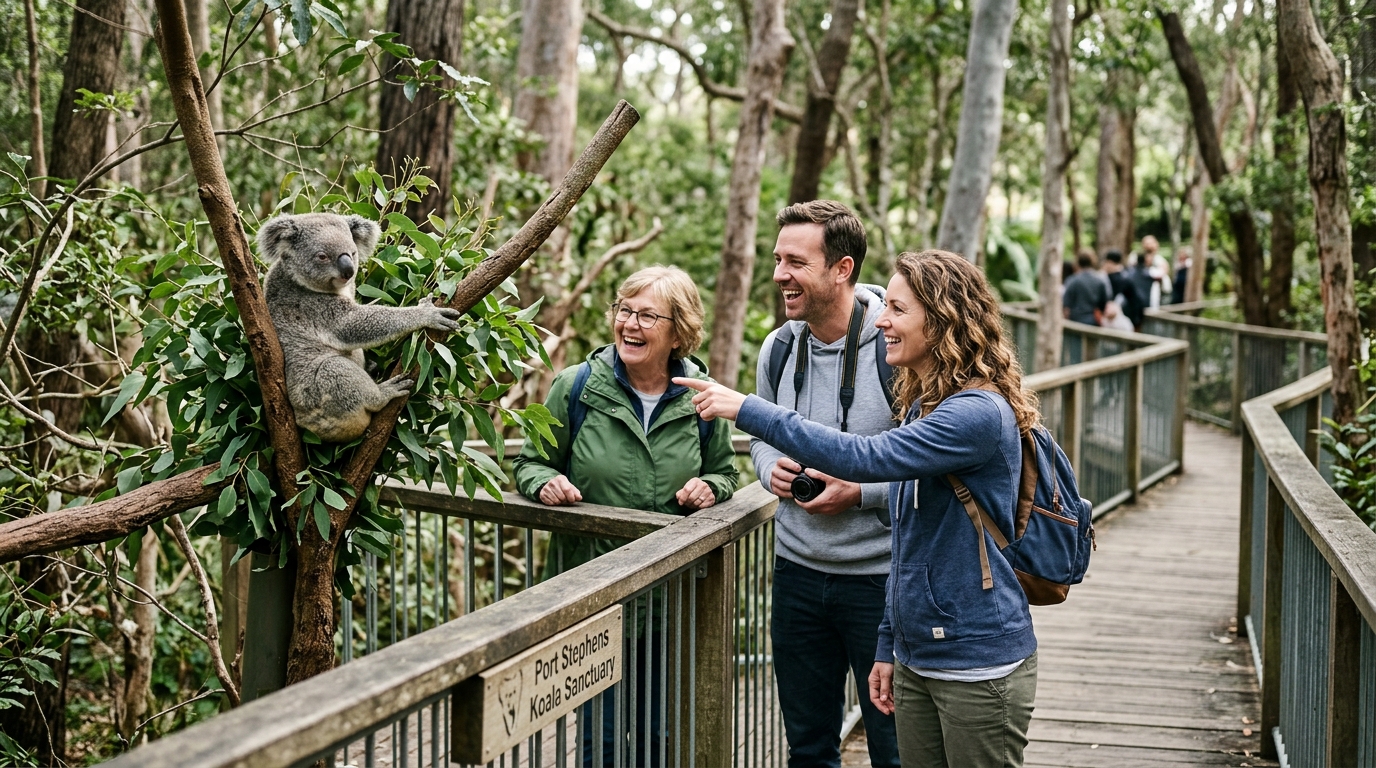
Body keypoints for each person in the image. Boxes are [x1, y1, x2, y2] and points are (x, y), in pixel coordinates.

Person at [676, 250, 1041, 768]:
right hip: (919, 651)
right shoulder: (924, 403)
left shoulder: (974, 414)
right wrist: (890, 645)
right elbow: (910, 541)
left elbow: (865, 457)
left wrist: (749, 409)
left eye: (896, 308)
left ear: (941, 321)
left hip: (976, 655)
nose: (881, 319)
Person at [512, 265, 739, 767]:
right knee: (603, 739)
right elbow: (529, 461)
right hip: (593, 592)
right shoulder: (576, 386)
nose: (630, 325)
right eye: (625, 311)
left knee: (663, 735)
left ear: (677, 330)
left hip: (673, 597)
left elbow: (726, 473)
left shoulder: (704, 397)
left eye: (647, 316)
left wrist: (711, 488)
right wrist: (543, 482)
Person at [754, 200, 901, 768]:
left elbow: (932, 471)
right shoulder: (780, 346)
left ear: (842, 269)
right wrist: (772, 470)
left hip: (881, 582)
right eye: (777, 259)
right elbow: (761, 434)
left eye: (795, 261)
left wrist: (860, 491)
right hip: (797, 576)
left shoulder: (895, 348)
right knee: (809, 750)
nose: (779, 275)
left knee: (893, 749)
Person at [1061, 250, 1111, 326]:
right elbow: (1103, 304)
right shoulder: (1100, 281)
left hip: (1075, 322)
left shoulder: (1072, 280)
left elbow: (1066, 305)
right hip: (1093, 322)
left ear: (1078, 262)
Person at [1103, 249, 1145, 329]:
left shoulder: (1118, 278)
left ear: (1109, 263)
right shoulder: (1127, 274)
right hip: (1130, 318)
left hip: (1124, 319)